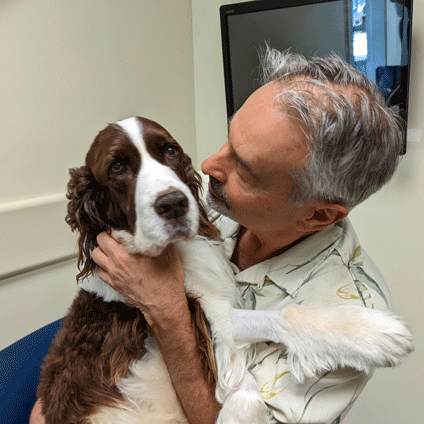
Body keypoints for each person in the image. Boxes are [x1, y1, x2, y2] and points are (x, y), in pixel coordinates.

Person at [30, 49, 403, 424]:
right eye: (229, 142)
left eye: (246, 170)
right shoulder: (206, 204)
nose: (208, 167)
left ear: (319, 215)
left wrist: (168, 311)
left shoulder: (355, 315)